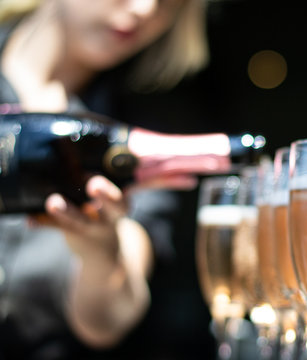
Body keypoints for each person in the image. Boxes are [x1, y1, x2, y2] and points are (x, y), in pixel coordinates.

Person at [0, 0, 231, 358]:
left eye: (170, 2)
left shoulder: (137, 141)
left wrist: (100, 253)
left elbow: (109, 321)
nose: (144, 10)